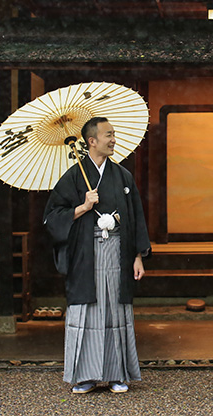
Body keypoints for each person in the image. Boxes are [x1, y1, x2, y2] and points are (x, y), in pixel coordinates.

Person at [43, 116, 151, 394]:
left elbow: (136, 217)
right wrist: (82, 207)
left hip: (117, 252)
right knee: (87, 312)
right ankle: (85, 375)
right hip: (85, 253)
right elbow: (52, 217)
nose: (113, 139)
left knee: (115, 310)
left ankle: (117, 374)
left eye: (113, 134)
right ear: (92, 141)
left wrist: (138, 255)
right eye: (108, 135)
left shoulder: (123, 176)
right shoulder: (73, 177)